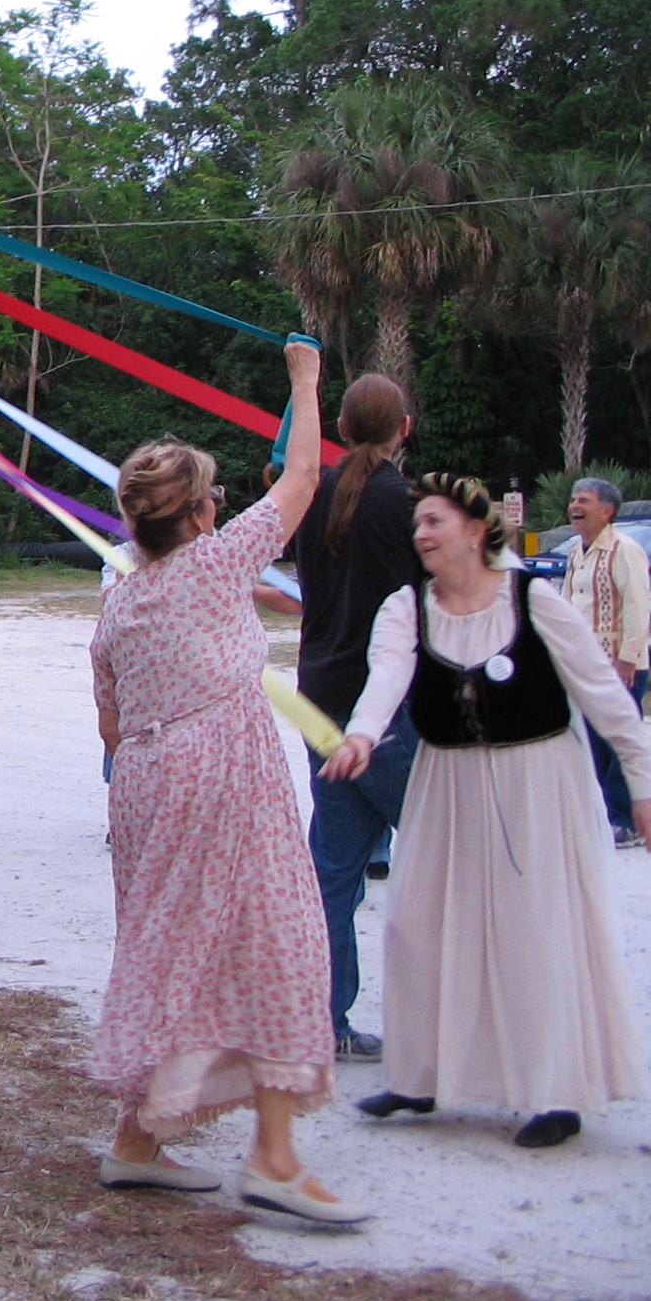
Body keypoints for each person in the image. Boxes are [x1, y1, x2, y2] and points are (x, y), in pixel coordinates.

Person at [89, 340, 367, 1225]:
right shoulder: (213, 569)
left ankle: (138, 1142)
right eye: (216, 498)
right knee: (278, 937)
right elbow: (300, 482)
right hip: (220, 774)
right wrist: (305, 384)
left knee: (171, 949)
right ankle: (276, 1159)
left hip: (142, 778)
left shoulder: (121, 599)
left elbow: (108, 712)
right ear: (204, 515)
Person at [341, 474, 651, 1150]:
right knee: (416, 923)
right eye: (419, 525)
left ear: (475, 529)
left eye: (434, 521)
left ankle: (556, 1091)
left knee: (531, 930)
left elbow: (602, 692)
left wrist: (645, 783)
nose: (422, 534)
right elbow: (385, 678)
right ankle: (420, 1075)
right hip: (444, 783)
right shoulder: (407, 607)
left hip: (534, 780)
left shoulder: (534, 599)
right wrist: (363, 734)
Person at [287, 373, 422, 1062]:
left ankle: (325, 1021)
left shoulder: (313, 497)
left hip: (319, 697)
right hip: (387, 706)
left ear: (341, 428)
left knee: (332, 873)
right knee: (442, 862)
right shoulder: (409, 505)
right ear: (405, 428)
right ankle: (447, 1021)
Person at [562, 476, 649, 848]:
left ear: (607, 511)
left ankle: (626, 819)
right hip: (584, 661)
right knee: (589, 740)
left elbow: (637, 606)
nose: (574, 506)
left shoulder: (623, 549)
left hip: (617, 662)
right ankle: (600, 815)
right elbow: (567, 604)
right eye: (573, 499)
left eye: (584, 500)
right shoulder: (576, 552)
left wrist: (627, 658)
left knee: (618, 738)